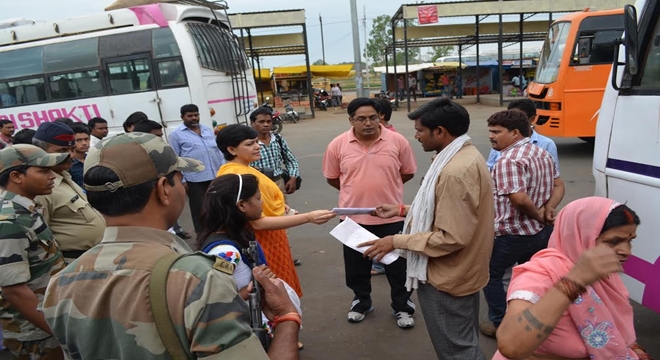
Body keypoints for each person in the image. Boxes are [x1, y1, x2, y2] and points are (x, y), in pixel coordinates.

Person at [42, 132, 302, 359]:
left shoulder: (61, 283)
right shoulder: (197, 278)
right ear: (163, 188)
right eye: (180, 178)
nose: (185, 188)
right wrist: (287, 317)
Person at [360, 97, 493, 359]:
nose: (416, 136)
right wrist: (401, 210)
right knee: (464, 342)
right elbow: (448, 211)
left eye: (420, 130)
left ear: (440, 131)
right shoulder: (463, 155)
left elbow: (451, 237)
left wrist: (396, 241)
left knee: (457, 351)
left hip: (447, 277)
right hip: (463, 271)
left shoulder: (454, 171)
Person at [494, 197, 652, 360]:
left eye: (629, 241)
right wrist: (574, 282)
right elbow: (510, 346)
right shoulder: (540, 275)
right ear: (581, 235)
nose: (626, 251)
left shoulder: (604, 277)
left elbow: (618, 330)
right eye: (613, 241)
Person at [196, 173, 334, 350]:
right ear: (242, 205)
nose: (262, 203)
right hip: (244, 333)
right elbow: (214, 304)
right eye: (258, 198)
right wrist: (253, 289)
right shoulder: (225, 253)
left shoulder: (236, 233)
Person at [323, 98, 418, 328]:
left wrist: (387, 190)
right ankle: (362, 302)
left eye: (373, 117)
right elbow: (333, 178)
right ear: (351, 120)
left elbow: (407, 172)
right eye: (361, 119)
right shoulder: (337, 145)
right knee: (357, 269)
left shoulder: (397, 141)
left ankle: (403, 307)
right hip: (353, 218)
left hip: (393, 217)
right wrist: (356, 193)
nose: (368, 123)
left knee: (397, 267)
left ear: (380, 118)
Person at [481, 109, 563, 337]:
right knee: (532, 277)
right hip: (541, 232)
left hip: (511, 233)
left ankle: (500, 323)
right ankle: (532, 320)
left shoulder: (507, 159)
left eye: (496, 132)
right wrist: (548, 209)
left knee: (491, 276)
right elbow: (559, 186)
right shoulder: (541, 152)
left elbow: (518, 199)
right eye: (490, 131)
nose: (491, 136)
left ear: (515, 133)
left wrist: (539, 213)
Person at [216, 125, 304, 297]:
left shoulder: (247, 168)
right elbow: (257, 222)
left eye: (256, 142)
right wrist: (309, 217)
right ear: (232, 149)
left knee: (282, 289)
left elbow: (263, 200)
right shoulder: (236, 175)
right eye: (250, 144)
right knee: (274, 295)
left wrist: (279, 207)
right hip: (262, 243)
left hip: (273, 239)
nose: (257, 146)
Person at [0, 144, 70, 359]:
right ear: (16, 176)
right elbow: (14, 291)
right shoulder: (10, 220)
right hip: (37, 334)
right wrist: (65, 333)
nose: (52, 177)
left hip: (47, 320)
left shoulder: (25, 208)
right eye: (43, 171)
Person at [32, 122, 105, 261]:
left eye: (72, 149)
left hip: (92, 258)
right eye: (62, 150)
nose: (71, 155)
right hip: (71, 263)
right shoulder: (42, 188)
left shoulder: (65, 176)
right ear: (41, 152)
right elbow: (41, 240)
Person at [168, 104, 225, 233]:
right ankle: (202, 237)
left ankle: (218, 233)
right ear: (182, 117)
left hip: (215, 176)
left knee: (217, 207)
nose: (194, 118)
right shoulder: (176, 135)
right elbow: (175, 159)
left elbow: (217, 151)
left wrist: (222, 170)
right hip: (194, 179)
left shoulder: (207, 130)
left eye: (196, 115)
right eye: (190, 116)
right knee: (200, 210)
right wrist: (182, 180)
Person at [486, 98, 560, 173]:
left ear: (532, 119)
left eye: (519, 118)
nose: (512, 121)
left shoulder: (546, 144)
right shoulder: (500, 142)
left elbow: (554, 175)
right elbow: (489, 166)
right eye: (510, 118)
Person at [250, 107, 300, 197]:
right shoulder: (248, 143)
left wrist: (293, 178)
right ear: (252, 123)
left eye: (268, 121)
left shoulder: (277, 138)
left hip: (278, 182)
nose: (266, 125)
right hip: (257, 185)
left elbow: (291, 160)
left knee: (282, 209)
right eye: (261, 122)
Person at [69, 123, 91, 188]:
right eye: (79, 140)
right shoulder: (69, 163)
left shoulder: (92, 159)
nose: (84, 143)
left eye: (86, 139)